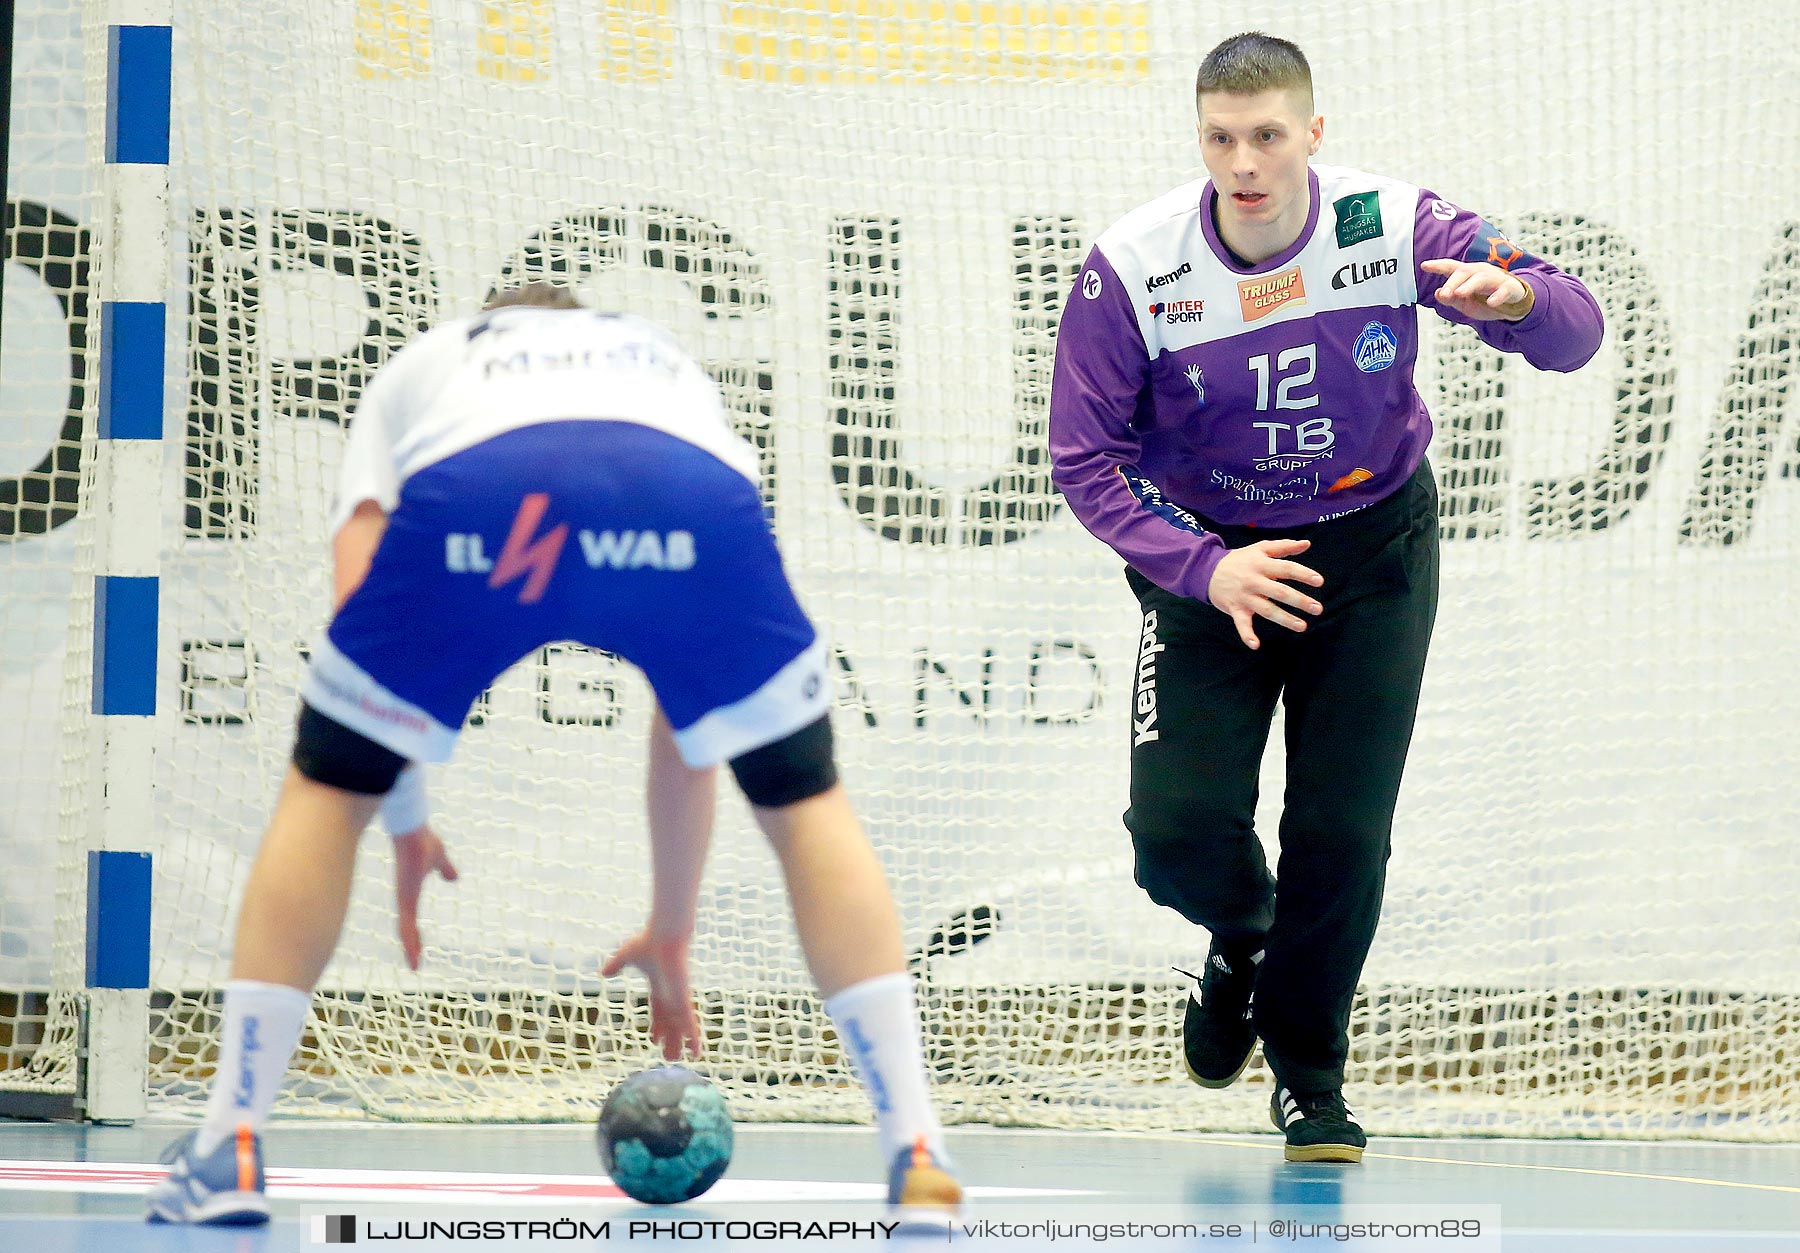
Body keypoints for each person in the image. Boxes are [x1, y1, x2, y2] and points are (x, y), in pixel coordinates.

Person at [146, 282, 961, 1223]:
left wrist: (392, 807)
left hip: (489, 492)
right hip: (686, 496)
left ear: (489, 322)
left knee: (322, 791)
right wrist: (673, 926)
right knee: (804, 802)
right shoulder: (664, 364)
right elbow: (688, 722)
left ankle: (232, 1144)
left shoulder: (432, 363)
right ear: (585, 323)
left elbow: (358, 626)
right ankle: (921, 1155)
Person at [1048, 33, 1602, 1162]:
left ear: (1312, 132)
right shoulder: (1134, 265)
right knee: (1177, 833)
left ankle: (1308, 1073)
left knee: (1341, 831)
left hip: (1371, 551)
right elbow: (1082, 459)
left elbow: (1575, 328)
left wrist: (1516, 303)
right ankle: (1243, 936)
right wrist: (1205, 567)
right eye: (1220, 138)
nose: (1244, 162)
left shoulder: (1389, 226)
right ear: (1199, 138)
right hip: (1214, 561)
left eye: (1266, 135)